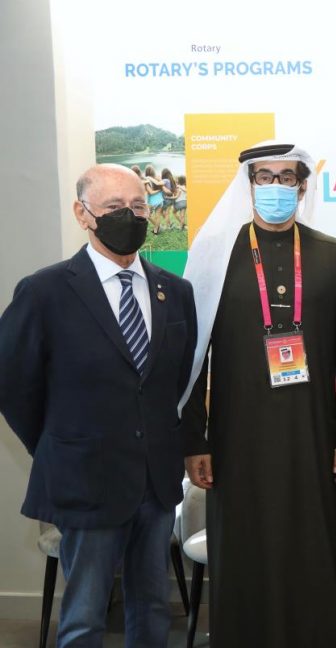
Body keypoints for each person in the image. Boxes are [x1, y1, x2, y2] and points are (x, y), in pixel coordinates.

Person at [0, 164, 198, 647]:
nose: (129, 216)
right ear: (82, 213)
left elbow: (174, 381)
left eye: (138, 206)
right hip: (85, 479)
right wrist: (58, 443)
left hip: (155, 482)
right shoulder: (44, 292)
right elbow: (13, 383)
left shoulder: (175, 292)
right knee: (85, 616)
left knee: (152, 607)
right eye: (114, 207)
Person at [180, 141, 336, 648]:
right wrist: (194, 440)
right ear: (249, 184)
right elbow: (192, 357)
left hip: (313, 435)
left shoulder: (331, 254)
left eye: (287, 178)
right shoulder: (217, 254)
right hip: (236, 438)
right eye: (265, 177)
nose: (276, 187)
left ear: (302, 188)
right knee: (244, 548)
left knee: (312, 547)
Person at [142, 165, 164, 235]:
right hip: (160, 200)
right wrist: (159, 190)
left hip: (152, 201)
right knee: (157, 216)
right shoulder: (157, 178)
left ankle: (158, 227)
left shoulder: (146, 180)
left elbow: (150, 192)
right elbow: (162, 186)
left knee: (147, 215)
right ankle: (155, 231)